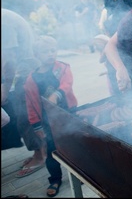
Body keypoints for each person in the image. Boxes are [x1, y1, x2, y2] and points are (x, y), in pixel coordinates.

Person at [24, 35, 78, 197]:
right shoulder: (32, 79)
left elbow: (67, 84)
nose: (50, 54)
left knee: (73, 145)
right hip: (48, 121)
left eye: (52, 50)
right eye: (45, 52)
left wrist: (57, 94)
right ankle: (55, 179)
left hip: (68, 114)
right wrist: (36, 125)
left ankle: (77, 174)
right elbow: (31, 104)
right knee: (52, 150)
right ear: (36, 55)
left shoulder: (62, 68)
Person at [1, 8, 44, 177]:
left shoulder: (3, 21)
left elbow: (9, 60)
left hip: (24, 71)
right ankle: (39, 153)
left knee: (25, 117)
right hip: (22, 71)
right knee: (25, 115)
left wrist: (4, 87)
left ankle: (40, 156)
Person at [99, 0, 132, 96]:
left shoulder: (126, 5)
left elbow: (127, 38)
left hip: (125, 62)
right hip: (114, 59)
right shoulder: (111, 1)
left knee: (126, 101)